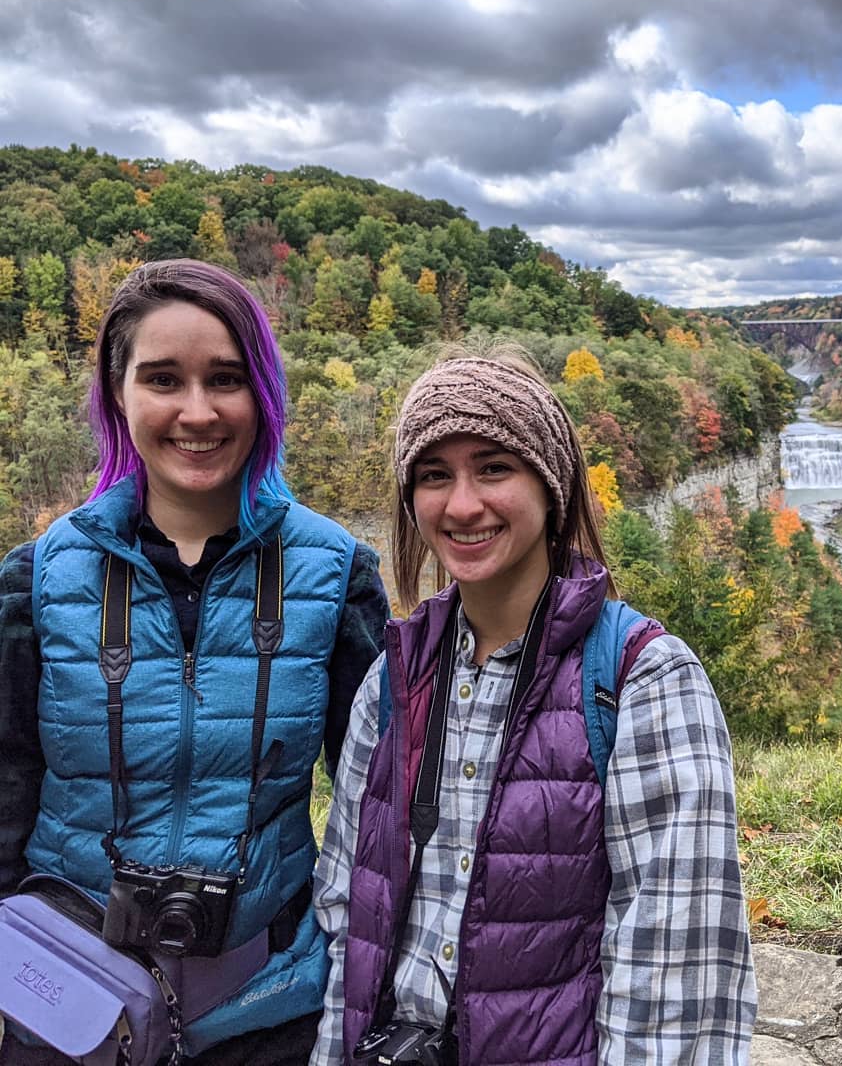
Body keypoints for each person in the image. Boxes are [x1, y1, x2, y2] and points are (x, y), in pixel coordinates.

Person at [311, 346, 756, 1065]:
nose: (462, 504)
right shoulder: (393, 680)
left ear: (551, 484)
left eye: (494, 467)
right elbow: (346, 920)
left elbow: (674, 981)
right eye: (434, 475)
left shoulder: (643, 681)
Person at [0, 259, 390, 1064]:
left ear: (265, 396)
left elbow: (374, 813)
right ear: (119, 393)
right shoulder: (36, 579)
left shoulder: (334, 573)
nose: (197, 411)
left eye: (225, 379)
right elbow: (5, 794)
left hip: (268, 1007)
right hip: (66, 1002)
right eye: (164, 379)